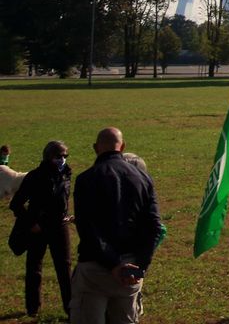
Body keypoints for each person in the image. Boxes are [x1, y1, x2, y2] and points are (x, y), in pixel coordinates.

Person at [70, 127, 161, 324]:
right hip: (131, 272)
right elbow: (154, 226)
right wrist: (140, 267)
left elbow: (87, 229)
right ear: (123, 147)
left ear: (96, 148)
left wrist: (112, 264)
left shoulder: (86, 179)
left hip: (95, 269)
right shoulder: (143, 178)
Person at [9, 140, 72, 319]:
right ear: (48, 157)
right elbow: (16, 204)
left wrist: (66, 216)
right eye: (58, 156)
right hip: (38, 227)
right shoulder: (35, 176)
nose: (62, 159)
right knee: (34, 267)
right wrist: (31, 223)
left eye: (65, 156)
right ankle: (32, 308)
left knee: (64, 268)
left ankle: (70, 307)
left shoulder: (67, 174)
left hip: (60, 226)